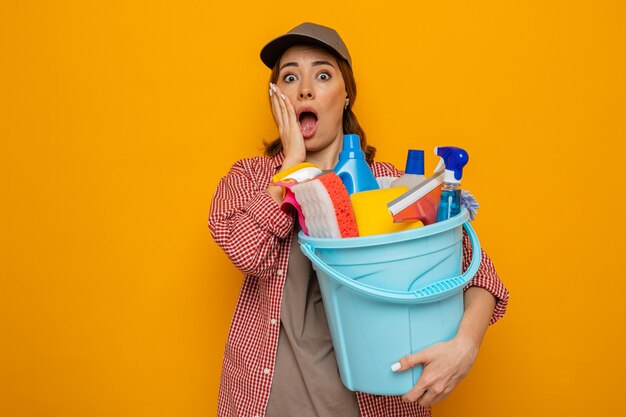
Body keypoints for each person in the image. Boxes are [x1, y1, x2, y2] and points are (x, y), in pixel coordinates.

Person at [209, 22, 509, 417]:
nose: (304, 89)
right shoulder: (249, 178)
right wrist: (292, 166)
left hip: (375, 404)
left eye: (322, 74)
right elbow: (247, 252)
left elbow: (479, 274)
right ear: (277, 98)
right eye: (289, 77)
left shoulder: (390, 183)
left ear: (346, 94)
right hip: (266, 402)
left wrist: (464, 346)